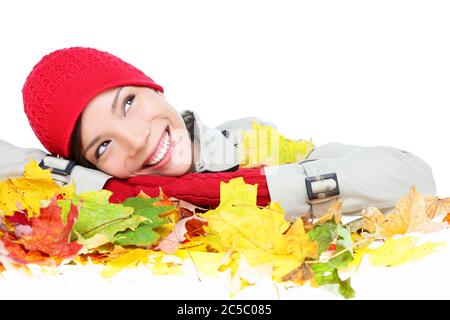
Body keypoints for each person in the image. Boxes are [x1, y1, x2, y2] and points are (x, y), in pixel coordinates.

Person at [0, 47, 436, 219]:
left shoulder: (250, 142)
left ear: (151, 86)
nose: (137, 141)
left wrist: (228, 190)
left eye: (128, 103)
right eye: (104, 145)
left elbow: (413, 176)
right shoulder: (106, 199)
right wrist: (104, 187)